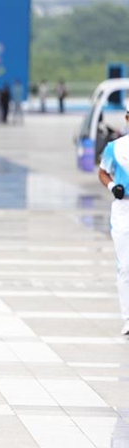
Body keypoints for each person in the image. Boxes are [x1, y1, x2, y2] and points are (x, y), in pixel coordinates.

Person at [97, 133, 129, 335]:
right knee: (126, 266)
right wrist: (111, 186)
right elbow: (102, 172)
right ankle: (128, 318)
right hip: (123, 209)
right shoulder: (115, 147)